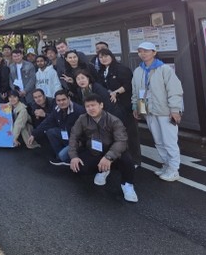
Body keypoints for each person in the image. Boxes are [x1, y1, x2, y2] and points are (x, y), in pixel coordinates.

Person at [68, 94, 138, 203]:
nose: (90, 108)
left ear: (101, 105)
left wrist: (108, 157)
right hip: (94, 151)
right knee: (80, 169)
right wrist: (73, 156)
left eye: (93, 105)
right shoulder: (82, 119)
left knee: (127, 161)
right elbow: (74, 136)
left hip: (113, 151)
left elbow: (121, 141)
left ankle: (127, 184)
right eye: (87, 106)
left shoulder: (113, 120)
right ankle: (103, 170)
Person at [132, 41, 184, 182]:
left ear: (154, 52)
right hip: (149, 112)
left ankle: (174, 169)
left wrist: (175, 110)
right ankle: (166, 165)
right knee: (159, 141)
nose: (143, 54)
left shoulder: (164, 69)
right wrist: (136, 107)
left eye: (146, 51)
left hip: (165, 111)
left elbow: (174, 90)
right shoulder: (138, 71)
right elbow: (137, 92)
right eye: (140, 51)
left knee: (169, 141)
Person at [97, 48, 140, 166]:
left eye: (106, 56)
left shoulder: (122, 69)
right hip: (112, 108)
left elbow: (129, 84)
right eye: (101, 57)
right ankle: (121, 159)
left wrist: (116, 92)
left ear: (111, 56)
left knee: (130, 134)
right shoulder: (101, 71)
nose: (103, 59)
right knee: (117, 134)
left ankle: (135, 160)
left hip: (125, 106)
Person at [29, 90, 85, 165]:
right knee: (51, 132)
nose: (61, 102)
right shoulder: (57, 109)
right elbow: (48, 122)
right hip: (66, 134)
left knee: (62, 155)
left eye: (63, 99)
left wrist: (80, 142)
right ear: (56, 101)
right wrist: (34, 134)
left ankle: (67, 158)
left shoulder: (79, 111)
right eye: (58, 100)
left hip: (77, 139)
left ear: (69, 99)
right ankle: (60, 156)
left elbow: (85, 132)